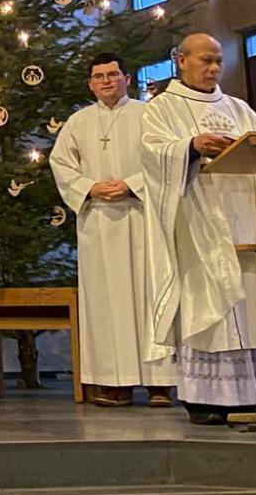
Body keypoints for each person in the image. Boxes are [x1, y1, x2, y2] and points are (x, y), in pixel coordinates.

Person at [142, 32, 256, 425]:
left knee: (249, 304)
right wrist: (189, 146)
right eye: (205, 60)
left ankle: (246, 395)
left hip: (245, 223)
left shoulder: (240, 109)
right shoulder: (161, 109)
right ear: (181, 61)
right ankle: (204, 398)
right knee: (209, 306)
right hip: (199, 222)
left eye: (219, 61)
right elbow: (152, 153)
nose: (214, 68)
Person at [50, 54, 175, 408]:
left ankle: (159, 383)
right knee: (105, 303)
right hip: (99, 223)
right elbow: (61, 164)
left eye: (113, 74)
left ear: (127, 78)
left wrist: (132, 184)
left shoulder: (148, 115)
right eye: (99, 76)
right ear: (90, 83)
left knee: (150, 297)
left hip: (142, 218)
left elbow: (165, 158)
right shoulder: (78, 122)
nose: (106, 81)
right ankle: (113, 382)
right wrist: (90, 187)